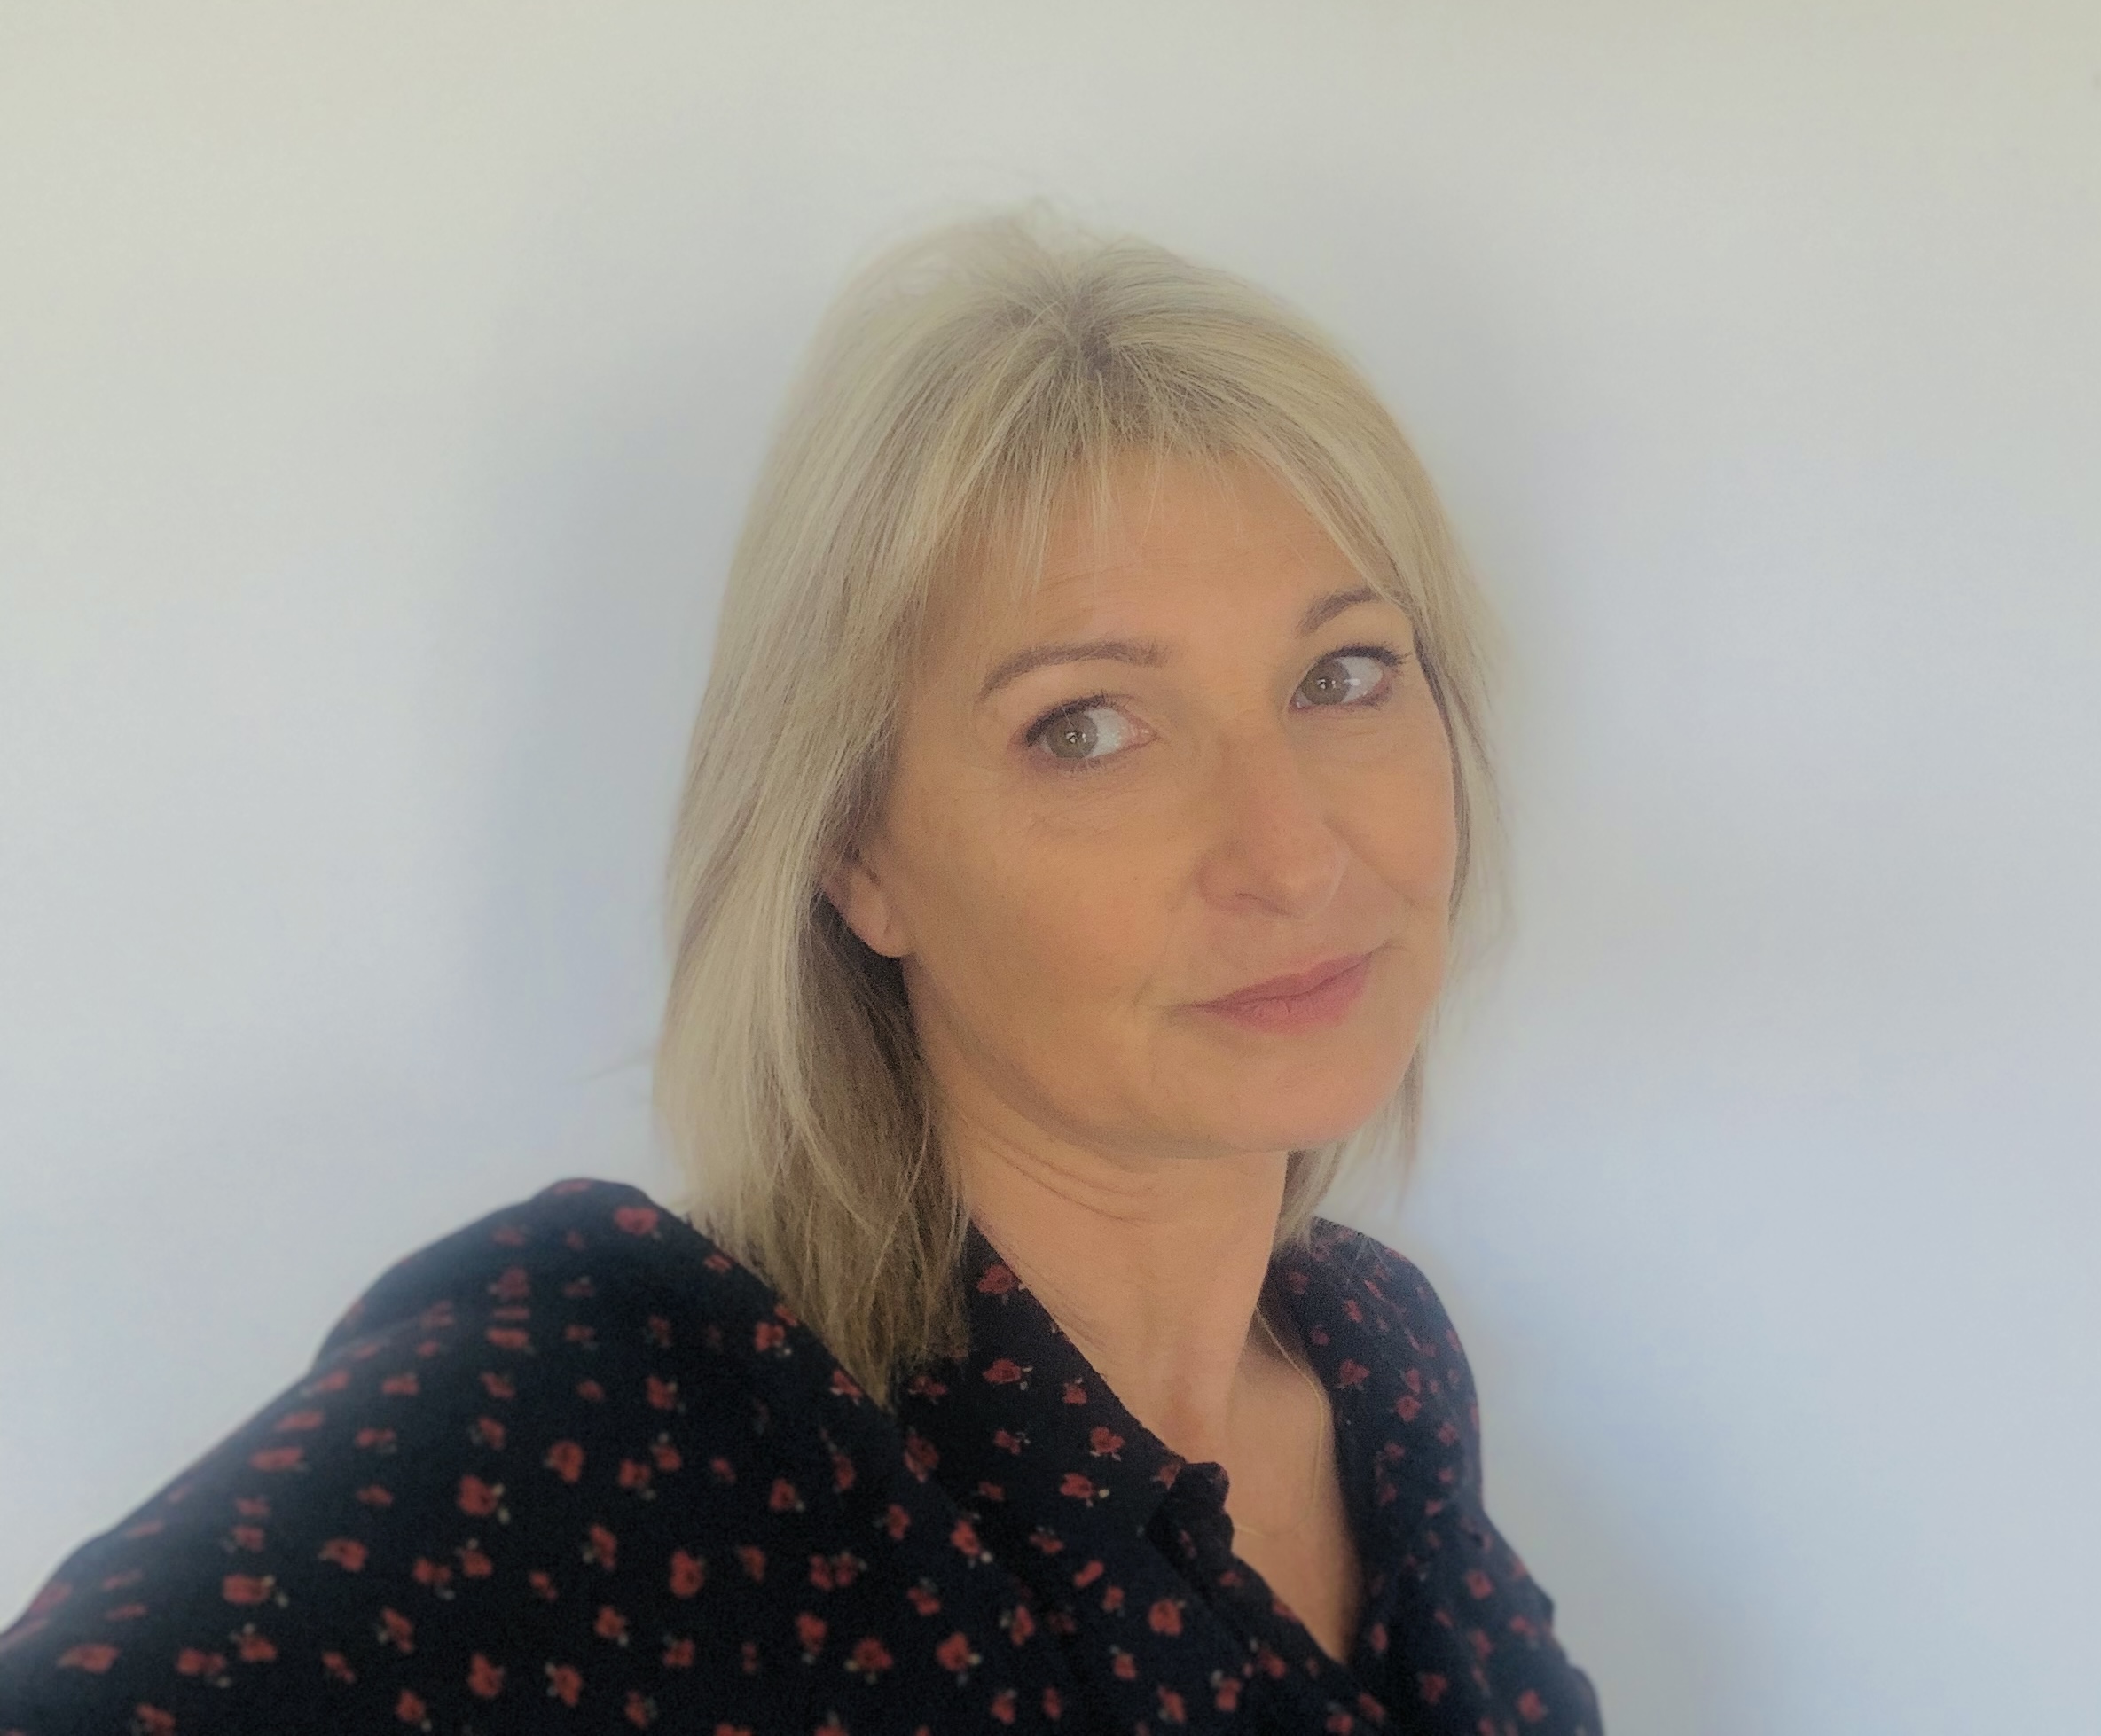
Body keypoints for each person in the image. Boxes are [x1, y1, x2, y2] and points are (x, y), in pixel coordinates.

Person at [0, 209, 1603, 1734]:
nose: (1293, 855)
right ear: (854, 851)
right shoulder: (619, 1423)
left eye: (1341, 673)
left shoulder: (1372, 1353)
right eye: (1086, 727)